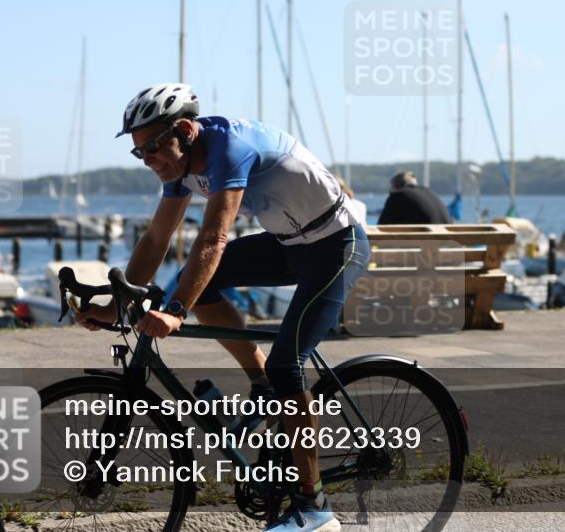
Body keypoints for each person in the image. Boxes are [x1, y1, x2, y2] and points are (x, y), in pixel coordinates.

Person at [76, 83, 369, 532]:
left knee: (288, 367)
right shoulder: (178, 167)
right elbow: (157, 238)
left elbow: (214, 238)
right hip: (287, 243)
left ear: (187, 130)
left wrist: (175, 310)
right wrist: (118, 305)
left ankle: (315, 508)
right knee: (202, 289)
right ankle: (263, 387)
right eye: (140, 152)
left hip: (336, 245)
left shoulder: (230, 148)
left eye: (153, 146)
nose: (149, 158)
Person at [377, 171, 452, 224]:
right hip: (451, 244)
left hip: (427, 244)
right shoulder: (429, 192)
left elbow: (382, 226)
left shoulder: (397, 195)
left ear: (396, 187)